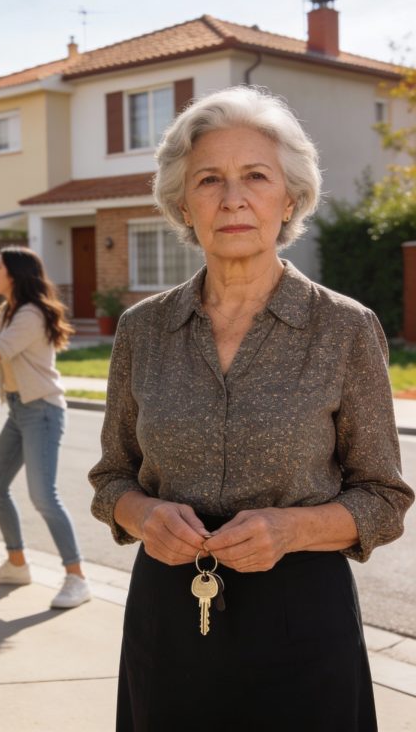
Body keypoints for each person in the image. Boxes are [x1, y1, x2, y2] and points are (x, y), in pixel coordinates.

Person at [88, 86, 414, 731]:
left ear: (289, 198)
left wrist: (290, 530)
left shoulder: (345, 329)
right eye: (209, 179)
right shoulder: (142, 330)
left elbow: (384, 498)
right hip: (168, 620)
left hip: (301, 621)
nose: (233, 198)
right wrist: (145, 513)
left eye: (255, 177)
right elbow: (110, 480)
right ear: (183, 202)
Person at [0, 247, 91, 609]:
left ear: (13, 274)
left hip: (42, 410)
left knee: (43, 496)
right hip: (18, 410)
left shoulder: (31, 314)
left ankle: (77, 577)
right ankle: (17, 564)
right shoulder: (10, 309)